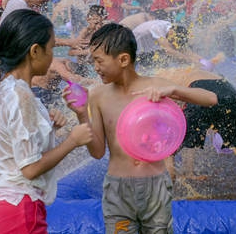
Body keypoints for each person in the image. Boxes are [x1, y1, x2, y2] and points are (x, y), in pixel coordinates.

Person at [69, 23, 217, 232]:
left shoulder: (155, 85)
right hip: (118, 190)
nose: (95, 67)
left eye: (99, 60)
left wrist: (173, 90)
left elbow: (211, 98)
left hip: (154, 186)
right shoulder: (98, 96)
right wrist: (81, 115)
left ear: (123, 60)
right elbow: (97, 152)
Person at [0, 9, 93, 233]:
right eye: (50, 49)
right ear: (35, 51)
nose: (52, 57)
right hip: (18, 210)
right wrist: (72, 140)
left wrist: (47, 128)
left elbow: (11, 147)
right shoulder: (22, 96)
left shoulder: (4, 89)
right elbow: (29, 169)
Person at [142, 67, 236, 200]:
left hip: (200, 94)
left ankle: (163, 203)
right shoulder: (196, 71)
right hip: (229, 94)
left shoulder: (159, 78)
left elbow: (172, 109)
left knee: (167, 153)